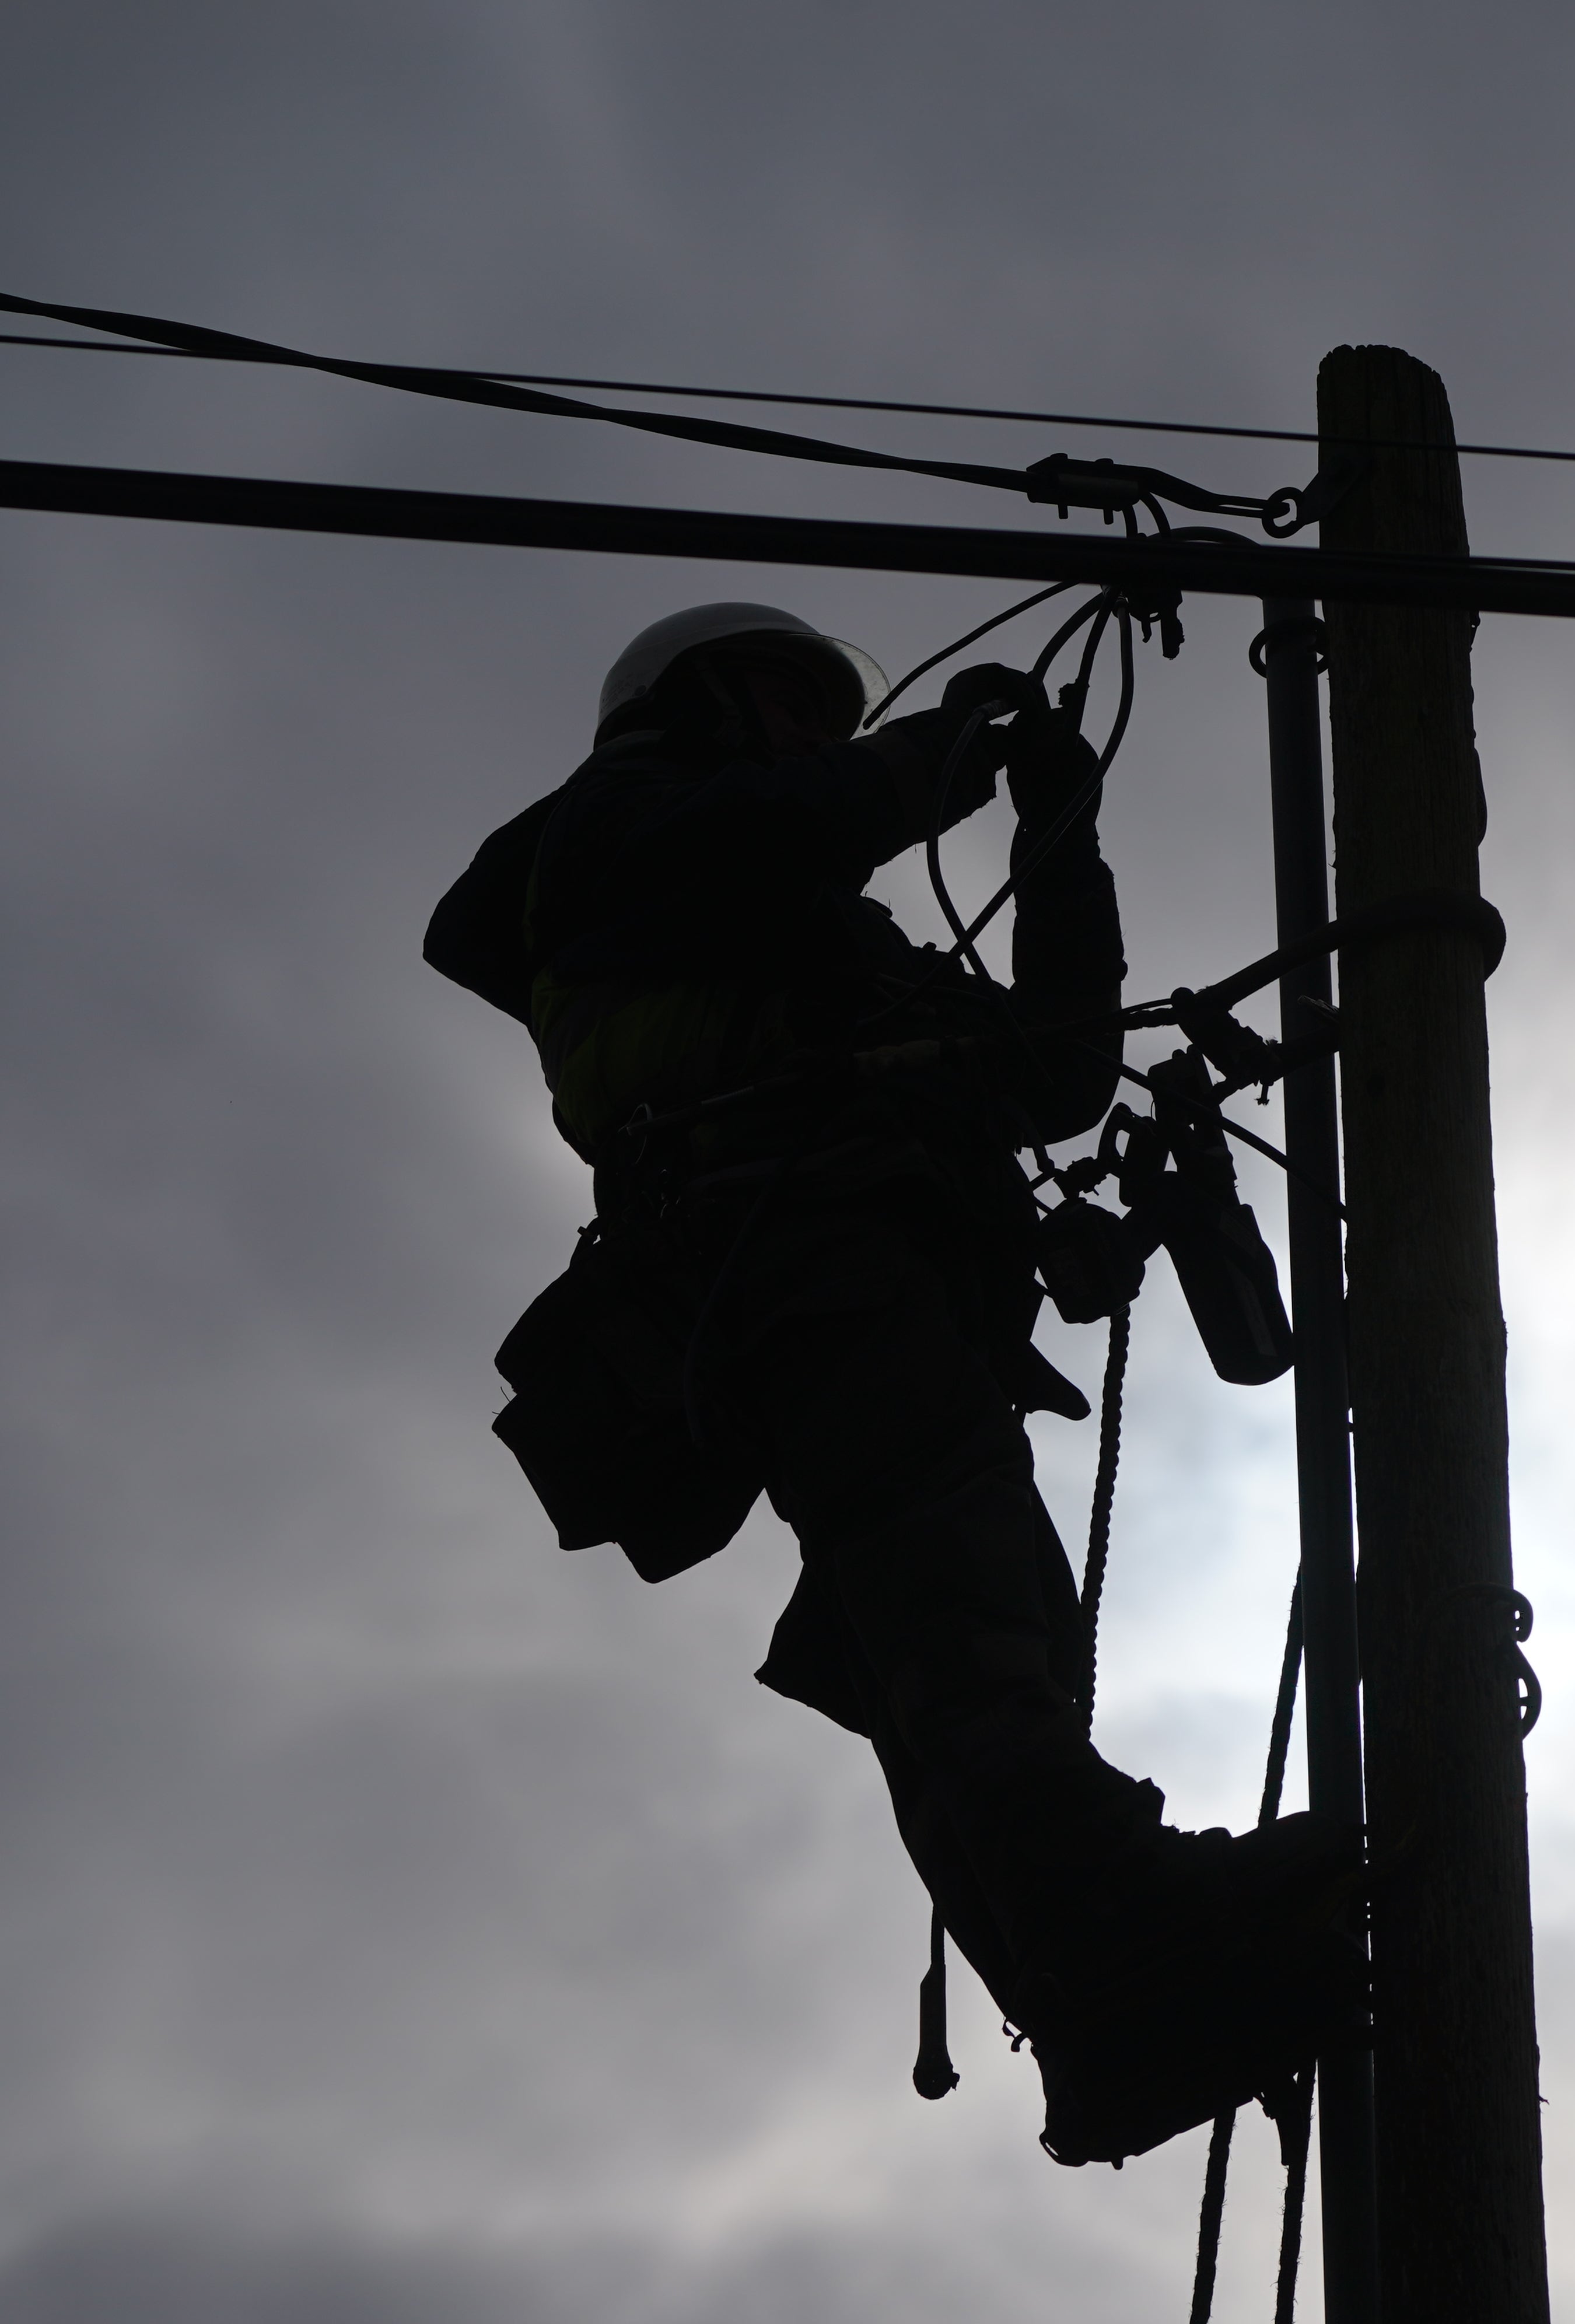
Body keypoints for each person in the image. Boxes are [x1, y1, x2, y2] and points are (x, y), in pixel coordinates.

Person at [425, 601, 1359, 2166]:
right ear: (692, 710)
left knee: (950, 1659)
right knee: (969, 1611)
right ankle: (1124, 1930)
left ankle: (1111, 2011)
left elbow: (1050, 1073)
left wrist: (1060, 840)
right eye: (789, 702)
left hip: (857, 1285)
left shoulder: (809, 941)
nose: (819, 732)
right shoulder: (606, 847)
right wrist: (955, 751)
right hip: (796, 1266)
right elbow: (804, 818)